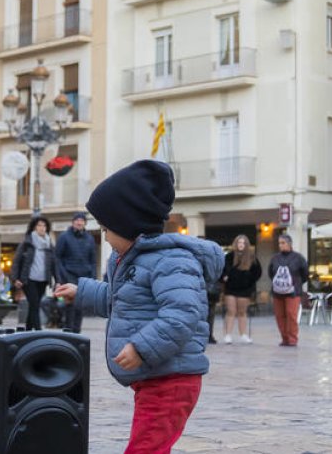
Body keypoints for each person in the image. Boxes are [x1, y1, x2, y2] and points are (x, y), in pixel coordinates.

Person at [53, 160, 223, 454]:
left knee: (145, 448)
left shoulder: (171, 261)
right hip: (155, 376)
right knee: (151, 445)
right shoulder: (131, 260)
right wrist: (82, 292)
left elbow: (182, 316)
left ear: (128, 224)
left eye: (107, 229)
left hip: (173, 379)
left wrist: (142, 347)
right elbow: (120, 299)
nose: (104, 237)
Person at [12, 215, 57, 331]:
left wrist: (58, 280)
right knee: (35, 304)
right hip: (28, 279)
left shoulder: (49, 245)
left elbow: (54, 264)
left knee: (34, 306)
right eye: (39, 225)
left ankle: (28, 331)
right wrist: (15, 278)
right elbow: (16, 261)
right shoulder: (27, 243)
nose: (42, 228)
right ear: (34, 227)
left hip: (43, 280)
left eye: (44, 225)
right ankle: (38, 331)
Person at [55, 211, 96, 333]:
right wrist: (62, 277)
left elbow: (93, 260)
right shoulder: (64, 237)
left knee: (80, 307)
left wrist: (92, 277)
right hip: (69, 276)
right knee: (70, 307)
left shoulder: (90, 239)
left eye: (82, 220)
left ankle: (77, 334)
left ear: (85, 223)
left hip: (84, 277)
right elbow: (57, 258)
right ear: (73, 222)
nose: (79, 222)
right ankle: (68, 334)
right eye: (77, 220)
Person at [268, 233, 308, 346]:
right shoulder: (275, 258)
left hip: (293, 292)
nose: (280, 245)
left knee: (291, 314)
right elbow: (271, 273)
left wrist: (296, 284)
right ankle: (284, 338)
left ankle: (292, 339)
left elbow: (305, 274)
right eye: (279, 243)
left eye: (283, 243)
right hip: (277, 292)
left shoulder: (299, 258)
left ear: (289, 244)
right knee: (280, 316)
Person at [220, 234, 261, 344]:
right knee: (231, 311)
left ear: (246, 245)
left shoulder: (252, 257)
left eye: (243, 243)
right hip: (231, 288)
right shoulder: (229, 256)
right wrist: (224, 277)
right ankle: (228, 335)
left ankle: (243, 334)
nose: (241, 245)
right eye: (239, 242)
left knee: (242, 312)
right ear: (235, 244)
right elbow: (222, 270)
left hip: (244, 289)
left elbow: (257, 273)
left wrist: (249, 281)